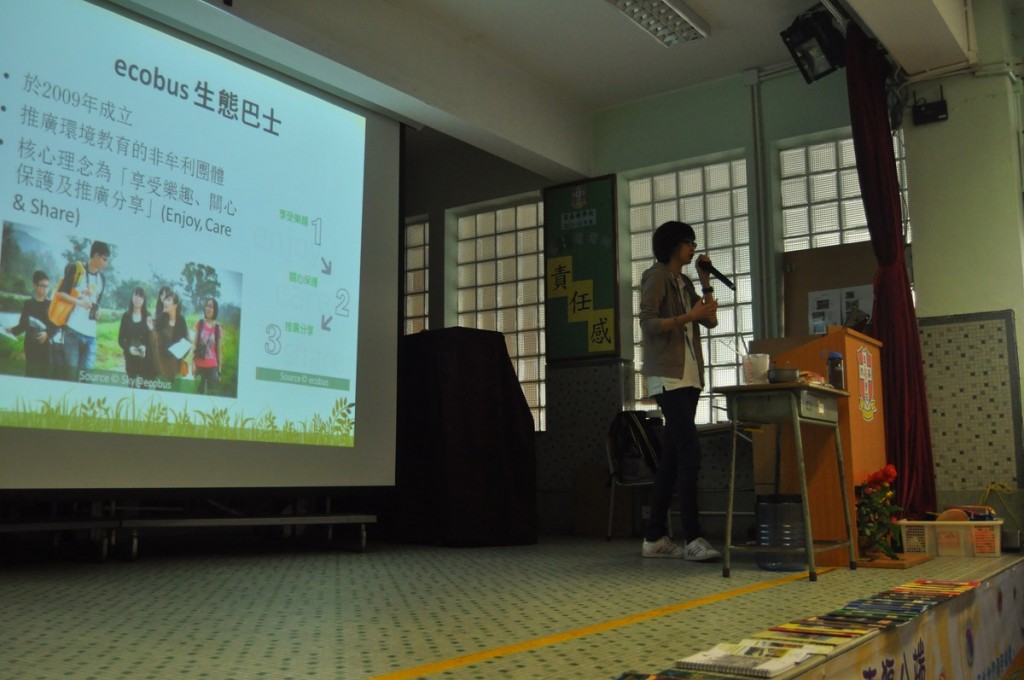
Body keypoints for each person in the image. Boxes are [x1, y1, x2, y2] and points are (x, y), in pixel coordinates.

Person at [637, 221, 721, 561]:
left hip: (689, 377)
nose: (693, 248)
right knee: (690, 454)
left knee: (672, 459)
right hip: (668, 376)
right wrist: (688, 316)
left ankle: (654, 538)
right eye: (689, 242)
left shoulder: (685, 281)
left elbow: (710, 320)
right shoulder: (656, 276)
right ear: (674, 246)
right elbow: (648, 322)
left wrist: (705, 282)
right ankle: (693, 538)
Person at [56, 241, 110, 380]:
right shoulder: (76, 269)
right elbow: (61, 294)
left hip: (91, 335)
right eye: (104, 259)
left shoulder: (102, 278)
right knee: (71, 377)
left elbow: (97, 303)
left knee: (87, 379)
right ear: (96, 255)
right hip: (73, 331)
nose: (106, 263)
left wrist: (98, 313)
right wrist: (80, 302)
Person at [5, 270, 59, 378]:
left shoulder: (51, 305)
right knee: (30, 374)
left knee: (45, 376)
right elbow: (23, 324)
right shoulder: (28, 304)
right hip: (30, 346)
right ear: (34, 285)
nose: (45, 289)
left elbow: (56, 325)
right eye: (42, 285)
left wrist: (47, 334)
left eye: (47, 286)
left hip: (46, 347)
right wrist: (12, 330)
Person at [150, 290, 190, 381]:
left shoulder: (181, 321)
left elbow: (187, 341)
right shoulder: (161, 319)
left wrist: (181, 353)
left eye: (168, 300)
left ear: (175, 305)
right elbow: (155, 342)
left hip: (176, 367)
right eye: (165, 300)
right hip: (161, 366)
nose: (165, 302)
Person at [117, 287, 154, 385]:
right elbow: (121, 339)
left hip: (145, 359)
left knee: (144, 387)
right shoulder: (126, 316)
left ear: (144, 300)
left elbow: (151, 338)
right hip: (130, 359)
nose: (137, 299)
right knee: (132, 386)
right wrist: (129, 349)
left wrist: (145, 347)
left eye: (140, 296)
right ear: (132, 297)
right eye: (135, 295)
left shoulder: (147, 316)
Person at [192, 297, 222, 395]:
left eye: (211, 307)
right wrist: (193, 364)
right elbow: (194, 344)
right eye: (207, 306)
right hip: (199, 365)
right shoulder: (200, 324)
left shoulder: (217, 328)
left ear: (215, 310)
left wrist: (219, 372)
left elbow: (219, 351)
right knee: (197, 393)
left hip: (212, 367)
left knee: (212, 394)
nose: (208, 309)